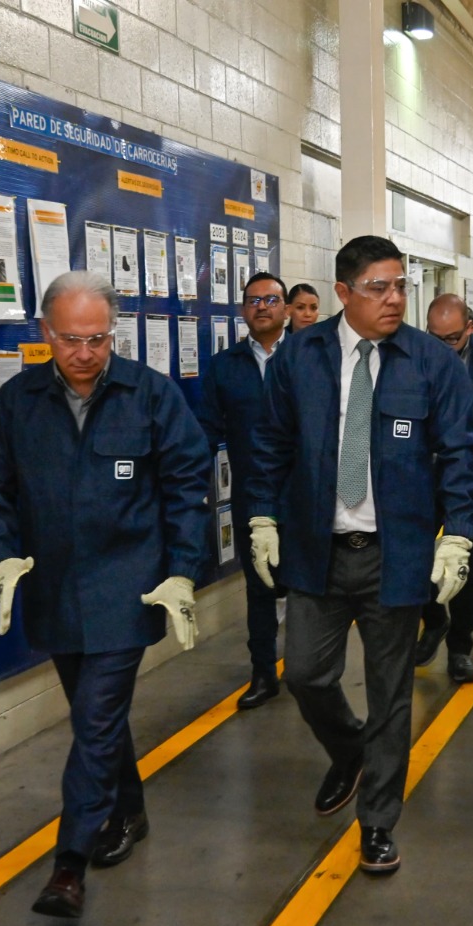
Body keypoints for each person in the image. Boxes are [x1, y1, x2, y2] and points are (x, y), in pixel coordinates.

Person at [0, 271, 212, 920]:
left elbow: (188, 488)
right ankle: (129, 810)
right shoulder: (18, 403)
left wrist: (183, 571)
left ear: (112, 333)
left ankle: (69, 863)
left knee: (96, 720)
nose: (85, 352)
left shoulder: (149, 395)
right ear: (45, 333)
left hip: (128, 590)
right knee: (95, 718)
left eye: (98, 339)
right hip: (53, 590)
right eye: (71, 339)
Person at [245, 236, 473, 875]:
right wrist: (262, 515)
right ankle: (350, 750)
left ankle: (377, 821)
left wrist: (459, 534)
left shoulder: (432, 363)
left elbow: (461, 454)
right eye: (379, 287)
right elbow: (269, 444)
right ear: (344, 292)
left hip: (395, 555)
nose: (395, 298)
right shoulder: (300, 357)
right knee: (305, 675)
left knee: (391, 694)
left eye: (401, 285)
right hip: (317, 551)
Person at [197, 271, 289, 710]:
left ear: (285, 308)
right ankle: (264, 671)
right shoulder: (224, 366)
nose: (262, 307)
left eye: (271, 299)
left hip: (305, 494)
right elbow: (205, 430)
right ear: (242, 309)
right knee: (260, 586)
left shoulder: (309, 358)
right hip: (252, 495)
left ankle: (307, 668)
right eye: (254, 300)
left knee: (307, 585)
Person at [416, 293, 473, 683]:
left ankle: (460, 649)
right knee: (414, 558)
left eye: (451, 339)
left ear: (470, 328)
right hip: (424, 477)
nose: (443, 347)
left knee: (467, 567)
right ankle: (434, 620)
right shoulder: (412, 359)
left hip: (472, 479)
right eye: (434, 337)